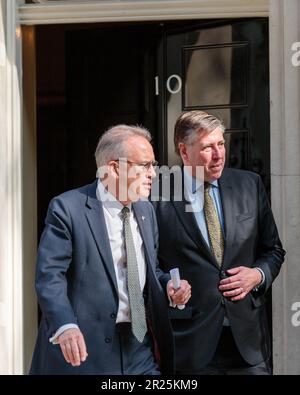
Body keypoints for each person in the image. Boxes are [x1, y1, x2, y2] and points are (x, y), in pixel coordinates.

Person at [29, 124, 191, 375]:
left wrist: (169, 287)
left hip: (138, 348)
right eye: (145, 165)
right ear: (115, 168)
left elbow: (149, 270)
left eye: (154, 165)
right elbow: (50, 276)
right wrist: (65, 325)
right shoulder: (68, 209)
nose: (153, 174)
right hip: (86, 350)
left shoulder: (146, 210)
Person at [154, 111, 285, 375]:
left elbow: (273, 251)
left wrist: (257, 275)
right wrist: (167, 284)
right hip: (190, 344)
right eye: (207, 147)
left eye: (221, 144)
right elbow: (149, 263)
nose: (218, 155)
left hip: (248, 345)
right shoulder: (156, 194)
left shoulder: (249, 184)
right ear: (184, 150)